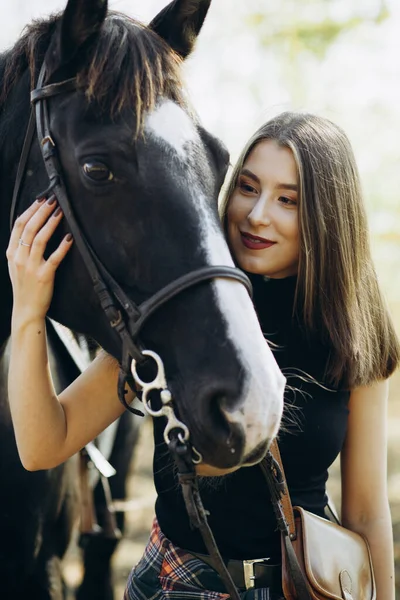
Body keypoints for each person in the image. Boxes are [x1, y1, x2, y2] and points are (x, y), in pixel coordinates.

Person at [7, 112, 399, 600]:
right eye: (248, 188)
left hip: (299, 585)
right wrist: (27, 314)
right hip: (175, 584)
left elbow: (365, 512)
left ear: (327, 216)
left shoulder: (354, 332)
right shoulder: (181, 313)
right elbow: (44, 444)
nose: (257, 214)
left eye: (287, 200)